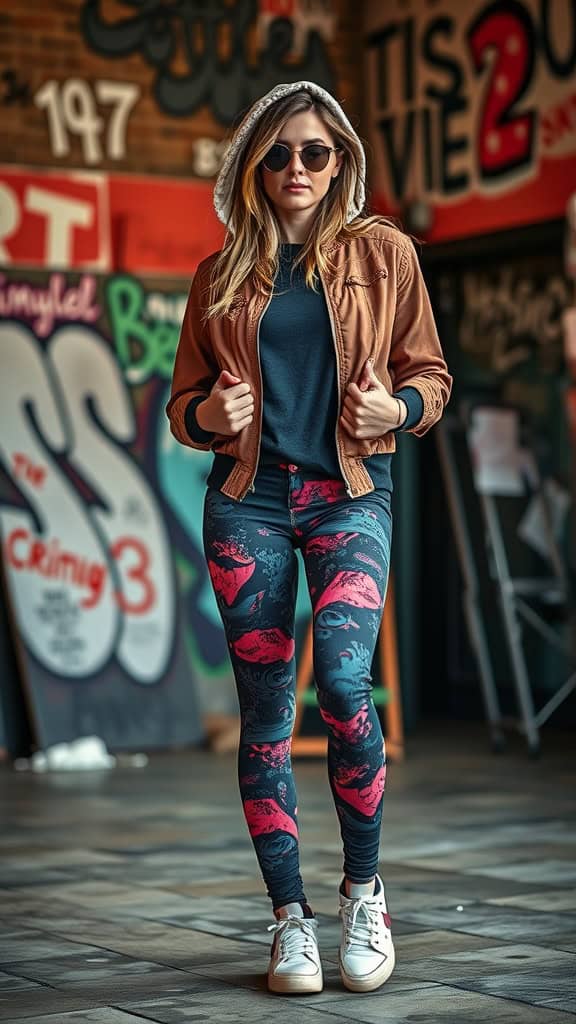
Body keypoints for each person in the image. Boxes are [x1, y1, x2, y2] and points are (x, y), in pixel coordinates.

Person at [167, 80, 452, 996]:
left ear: (341, 163)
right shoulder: (220, 275)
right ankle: (289, 921)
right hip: (247, 503)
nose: (297, 169)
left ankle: (363, 892)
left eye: (315, 153)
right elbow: (182, 404)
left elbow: (431, 374)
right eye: (280, 153)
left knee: (341, 678)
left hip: (348, 494)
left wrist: (395, 406)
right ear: (255, 163)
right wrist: (208, 412)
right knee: (264, 714)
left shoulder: (385, 255)